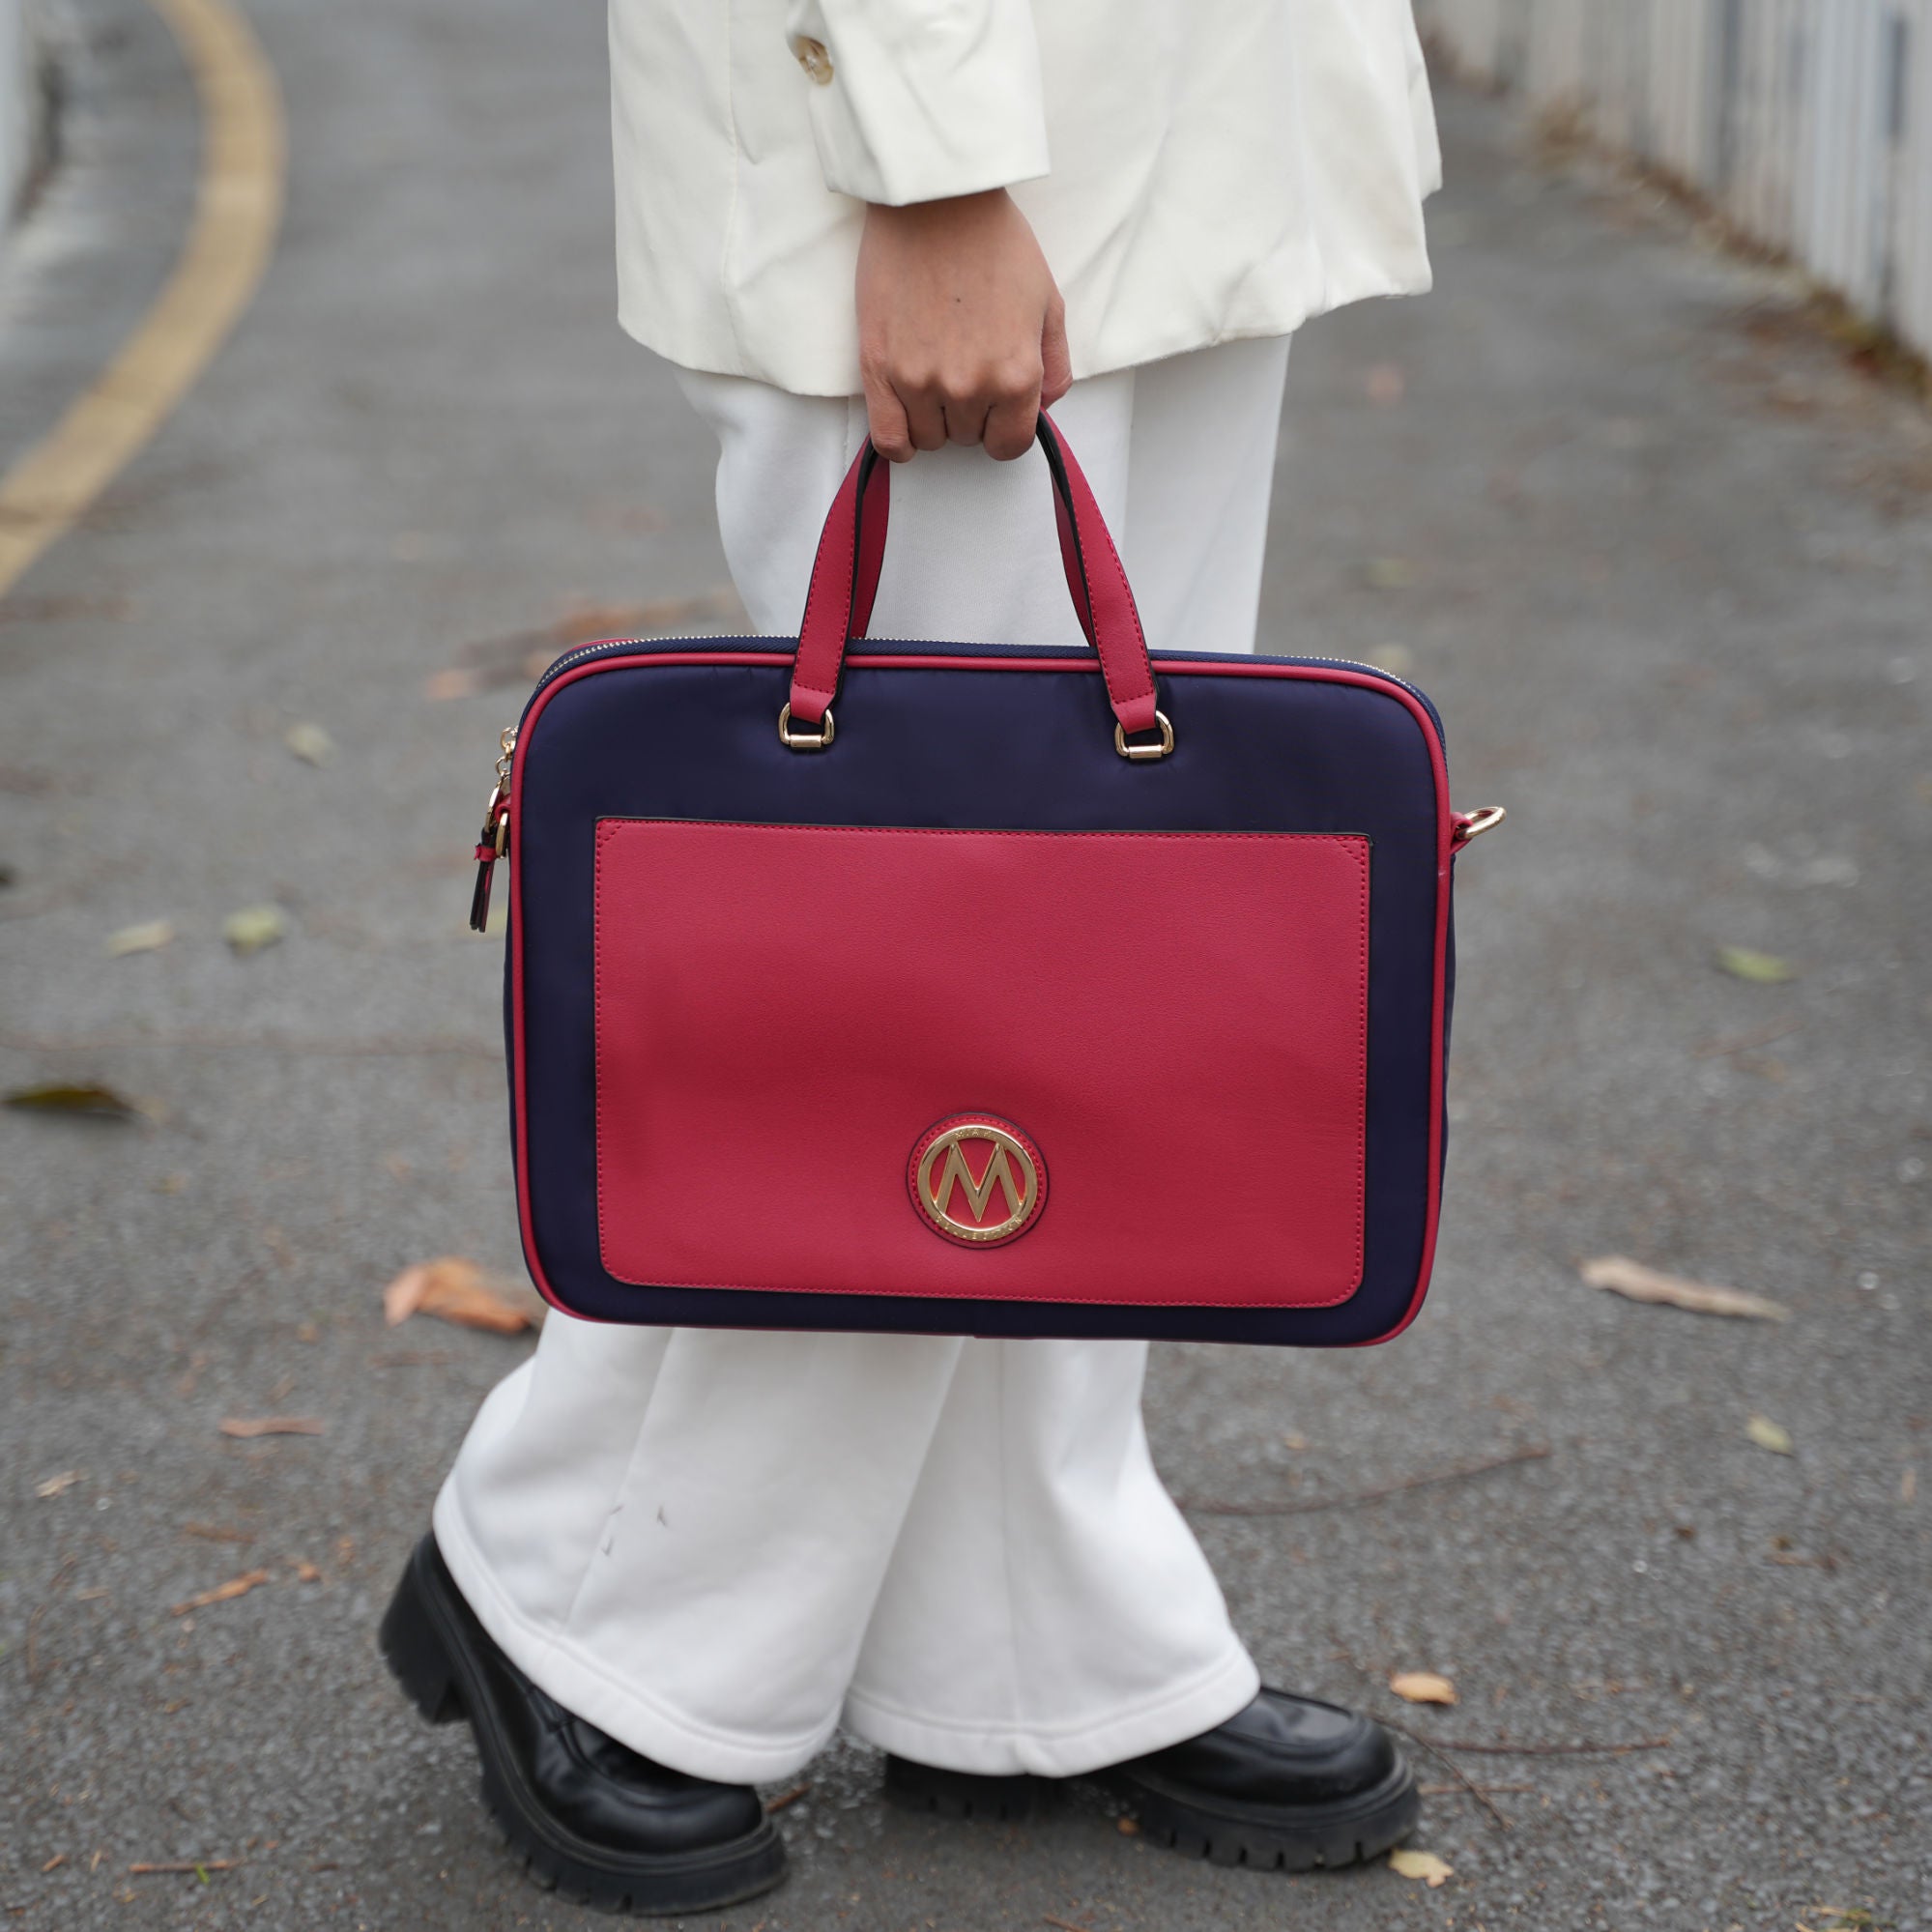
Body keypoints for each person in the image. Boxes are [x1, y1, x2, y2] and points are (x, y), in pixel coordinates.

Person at [381, 0, 1443, 1914]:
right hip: (966, 141)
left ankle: (1026, 1630)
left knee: (1091, 979)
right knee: (911, 993)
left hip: (1189, 103)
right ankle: (577, 1585)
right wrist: (930, 158)